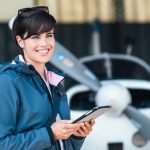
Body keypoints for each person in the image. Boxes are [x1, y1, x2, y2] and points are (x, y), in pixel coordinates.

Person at [0, 6, 95, 150]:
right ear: (20, 41)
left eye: (49, 35)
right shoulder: (7, 81)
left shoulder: (55, 81)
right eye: (35, 37)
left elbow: (62, 142)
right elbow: (3, 144)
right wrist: (50, 134)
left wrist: (77, 135)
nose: (44, 43)